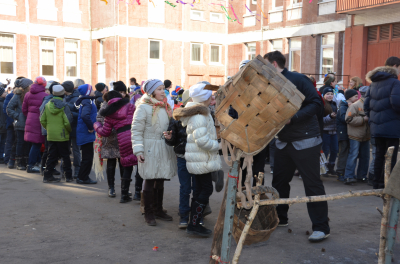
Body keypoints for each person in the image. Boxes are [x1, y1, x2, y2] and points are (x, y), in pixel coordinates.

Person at [264, 51, 329, 242]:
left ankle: (321, 227)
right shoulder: (269, 83)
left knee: (312, 184)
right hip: (283, 141)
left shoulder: (298, 79)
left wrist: (294, 118)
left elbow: (317, 104)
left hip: (306, 140)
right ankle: (280, 218)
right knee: (279, 182)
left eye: (265, 65)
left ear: (274, 64)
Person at [171, 82, 221, 237]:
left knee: (200, 189)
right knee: (205, 189)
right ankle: (194, 223)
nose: (212, 97)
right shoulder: (199, 116)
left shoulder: (200, 113)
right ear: (203, 98)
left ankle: (195, 221)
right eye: (209, 95)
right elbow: (203, 142)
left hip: (199, 160)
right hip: (201, 161)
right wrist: (220, 145)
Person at [131, 79, 177, 226]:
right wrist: (138, 150)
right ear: (151, 92)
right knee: (149, 179)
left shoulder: (165, 106)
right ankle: (148, 212)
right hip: (149, 147)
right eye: (159, 89)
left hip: (163, 147)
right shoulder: (143, 107)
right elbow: (136, 131)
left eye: (163, 88)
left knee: (161, 178)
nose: (163, 91)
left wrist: (170, 135)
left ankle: (158, 209)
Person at [94, 90, 138, 203]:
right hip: (134, 137)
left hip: (120, 139)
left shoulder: (108, 112)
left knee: (120, 164)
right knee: (135, 165)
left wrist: (96, 125)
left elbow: (105, 132)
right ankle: (136, 192)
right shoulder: (131, 106)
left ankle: (119, 192)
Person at [364, 56, 400, 189]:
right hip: (392, 127)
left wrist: (373, 120)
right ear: (395, 66)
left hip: (377, 127)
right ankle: (387, 185)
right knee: (390, 157)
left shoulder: (373, 83)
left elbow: (366, 105)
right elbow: (397, 103)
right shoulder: (395, 83)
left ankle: (377, 183)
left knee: (379, 155)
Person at [165, 90, 196, 229]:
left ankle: (196, 215)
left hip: (197, 158)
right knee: (185, 187)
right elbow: (172, 141)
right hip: (183, 157)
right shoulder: (177, 117)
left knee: (198, 187)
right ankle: (184, 216)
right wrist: (169, 138)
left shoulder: (202, 116)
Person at [40, 85, 73, 183]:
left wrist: (49, 128)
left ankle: (47, 175)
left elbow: (42, 120)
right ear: (63, 94)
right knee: (65, 156)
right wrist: (68, 130)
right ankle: (68, 176)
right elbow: (68, 121)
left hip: (51, 135)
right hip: (62, 135)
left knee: (51, 156)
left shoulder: (47, 105)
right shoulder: (64, 106)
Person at [95, 92, 125, 199]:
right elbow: (99, 119)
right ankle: (112, 188)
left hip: (120, 138)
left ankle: (122, 189)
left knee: (122, 164)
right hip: (112, 138)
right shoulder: (106, 106)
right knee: (113, 163)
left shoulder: (117, 105)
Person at [344, 90, 370, 184]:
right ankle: (349, 176)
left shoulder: (370, 105)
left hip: (366, 135)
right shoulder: (356, 105)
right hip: (355, 135)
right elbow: (348, 119)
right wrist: (363, 119)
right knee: (353, 155)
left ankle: (362, 176)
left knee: (365, 157)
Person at [7, 78, 33, 170]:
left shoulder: (31, 95)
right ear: (26, 86)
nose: (32, 86)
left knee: (27, 143)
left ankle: (25, 161)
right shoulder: (17, 96)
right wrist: (18, 116)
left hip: (30, 123)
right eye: (30, 85)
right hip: (20, 124)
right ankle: (18, 162)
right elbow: (9, 108)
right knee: (19, 142)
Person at [23, 77, 48, 173]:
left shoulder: (27, 94)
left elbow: (24, 109)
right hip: (39, 122)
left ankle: (36, 162)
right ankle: (31, 165)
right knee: (37, 144)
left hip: (30, 121)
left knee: (35, 143)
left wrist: (29, 116)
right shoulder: (45, 95)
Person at [74, 84, 98, 184]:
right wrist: (91, 127)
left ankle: (82, 176)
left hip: (84, 132)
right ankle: (83, 178)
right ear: (87, 92)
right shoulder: (87, 101)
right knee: (87, 157)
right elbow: (85, 115)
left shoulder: (86, 100)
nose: (93, 91)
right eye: (91, 89)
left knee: (87, 156)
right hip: (86, 132)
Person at [336, 90, 357, 182]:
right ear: (349, 97)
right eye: (355, 96)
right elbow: (344, 118)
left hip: (347, 133)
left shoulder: (346, 105)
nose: (357, 98)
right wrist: (351, 110)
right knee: (343, 152)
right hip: (343, 133)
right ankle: (340, 173)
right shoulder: (343, 106)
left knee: (348, 152)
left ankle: (345, 172)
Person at [63, 81, 81, 179]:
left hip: (74, 127)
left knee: (75, 150)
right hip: (67, 127)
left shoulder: (76, 99)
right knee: (67, 150)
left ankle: (76, 170)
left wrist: (70, 114)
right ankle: (65, 170)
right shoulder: (64, 98)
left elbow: (80, 114)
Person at [321, 87, 338, 177]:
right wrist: (330, 117)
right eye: (328, 94)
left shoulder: (335, 104)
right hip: (325, 132)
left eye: (331, 94)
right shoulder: (322, 105)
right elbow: (321, 120)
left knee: (335, 150)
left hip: (334, 132)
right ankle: (324, 169)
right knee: (325, 151)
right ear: (324, 95)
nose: (330, 96)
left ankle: (331, 167)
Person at [3, 83, 19, 168]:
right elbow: (6, 110)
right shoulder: (10, 96)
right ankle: (8, 159)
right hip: (11, 123)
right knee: (10, 141)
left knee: (17, 142)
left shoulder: (22, 95)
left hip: (19, 122)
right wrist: (13, 120)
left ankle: (15, 160)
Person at [0, 87, 6, 164]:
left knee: (3, 143)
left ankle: (1, 157)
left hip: (4, 125)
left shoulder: (4, 102)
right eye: (4, 92)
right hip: (1, 125)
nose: (5, 93)